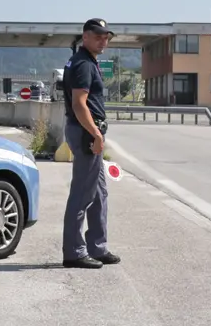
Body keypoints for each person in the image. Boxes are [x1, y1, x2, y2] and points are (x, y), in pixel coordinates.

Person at [61, 18, 121, 269]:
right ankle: (74, 252)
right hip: (86, 133)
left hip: (86, 131)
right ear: (85, 36)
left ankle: (97, 246)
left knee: (98, 192)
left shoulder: (84, 60)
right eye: (98, 36)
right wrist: (96, 135)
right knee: (83, 193)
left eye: (106, 36)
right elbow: (79, 104)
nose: (103, 40)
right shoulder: (84, 64)